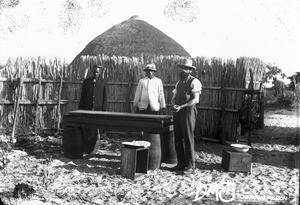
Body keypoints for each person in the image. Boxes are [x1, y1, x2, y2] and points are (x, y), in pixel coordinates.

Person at [170, 59, 202, 174]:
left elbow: (195, 100)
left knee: (188, 138)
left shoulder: (195, 82)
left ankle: (190, 166)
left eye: (186, 68)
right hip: (177, 112)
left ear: (190, 70)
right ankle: (181, 163)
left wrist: (182, 106)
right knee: (178, 138)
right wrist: (173, 104)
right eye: (182, 68)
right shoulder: (179, 83)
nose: (183, 70)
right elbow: (173, 98)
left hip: (188, 112)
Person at [79, 64, 108, 154]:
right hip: (87, 109)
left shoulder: (103, 82)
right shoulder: (87, 82)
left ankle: (95, 148)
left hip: (98, 110)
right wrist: (81, 109)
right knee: (87, 128)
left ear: (100, 73)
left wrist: (104, 110)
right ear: (92, 72)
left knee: (97, 129)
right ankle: (86, 147)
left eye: (98, 72)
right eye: (94, 72)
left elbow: (105, 98)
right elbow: (82, 96)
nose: (96, 73)